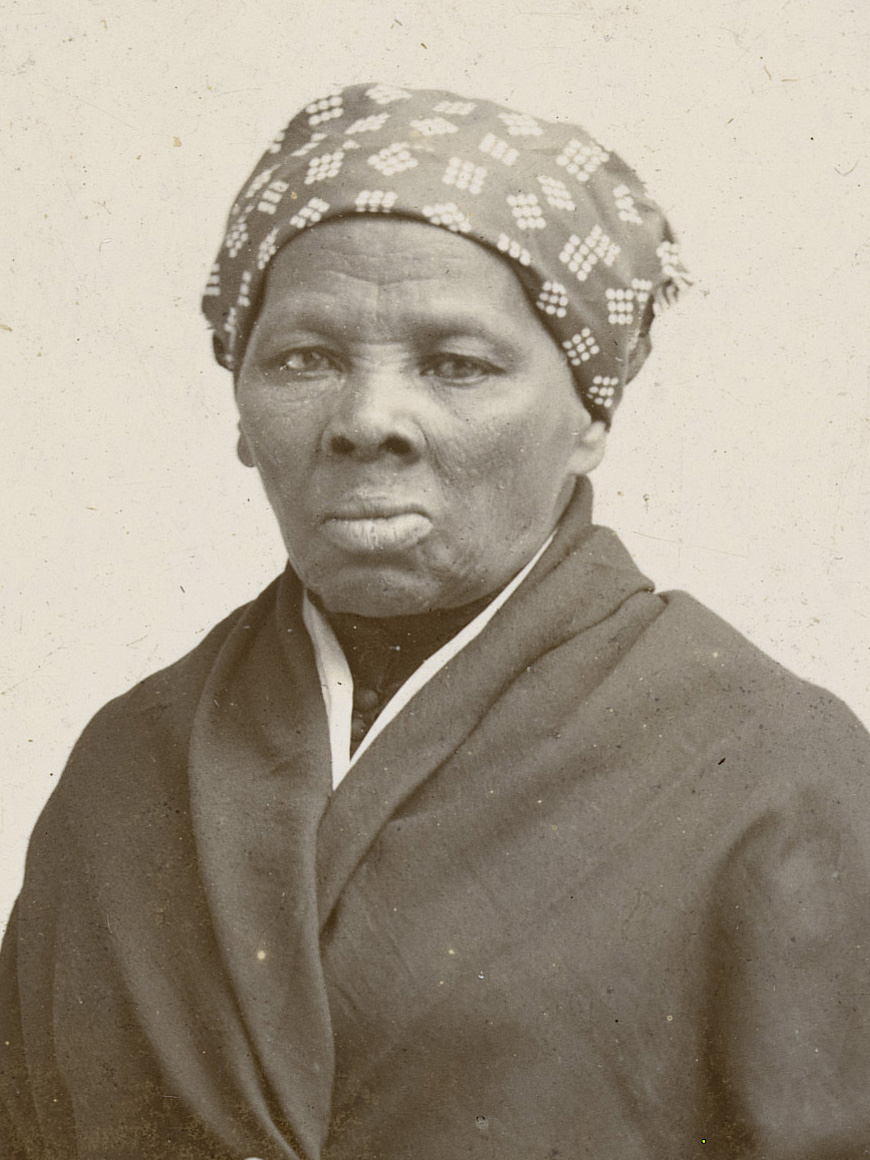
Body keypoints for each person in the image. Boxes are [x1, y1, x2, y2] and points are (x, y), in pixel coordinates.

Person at [2, 82, 869, 1160]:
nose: (368, 421)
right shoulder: (128, 765)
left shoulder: (775, 771)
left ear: (590, 415)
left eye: (456, 365)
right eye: (305, 359)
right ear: (241, 411)